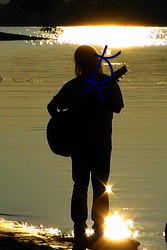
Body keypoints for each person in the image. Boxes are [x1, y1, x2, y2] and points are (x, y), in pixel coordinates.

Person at [47, 45, 124, 244]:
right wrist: (64, 122)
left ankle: (80, 228)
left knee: (81, 185)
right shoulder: (101, 84)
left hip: (82, 144)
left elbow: (51, 106)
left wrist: (63, 121)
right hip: (99, 144)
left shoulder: (75, 85)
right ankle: (97, 230)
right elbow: (118, 107)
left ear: (79, 63)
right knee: (99, 187)